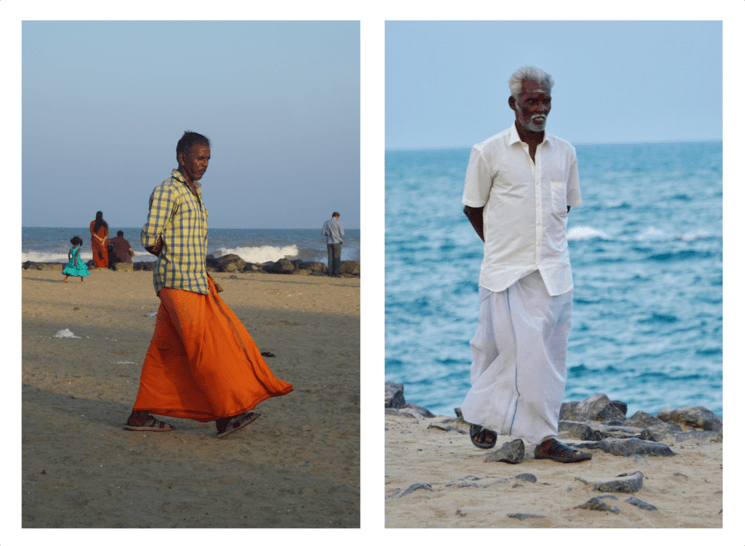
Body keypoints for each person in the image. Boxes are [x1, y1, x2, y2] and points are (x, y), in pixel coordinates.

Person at [460, 66, 591, 463]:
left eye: (545, 101)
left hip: (552, 270)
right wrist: (500, 245)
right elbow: (472, 207)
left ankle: (544, 438)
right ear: (513, 104)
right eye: (531, 100)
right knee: (494, 347)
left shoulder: (565, 152)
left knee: (545, 355)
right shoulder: (488, 152)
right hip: (503, 269)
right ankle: (484, 415)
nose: (540, 108)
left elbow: (564, 205)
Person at [124, 131, 293, 438]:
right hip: (177, 282)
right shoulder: (168, 191)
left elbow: (188, 239)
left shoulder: (194, 191)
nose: (204, 164)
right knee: (207, 348)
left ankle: (140, 415)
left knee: (165, 350)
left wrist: (199, 270)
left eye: (208, 159)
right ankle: (225, 415)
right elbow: (149, 238)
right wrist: (174, 255)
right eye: (199, 158)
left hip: (194, 281)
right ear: (182, 157)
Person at [322, 212, 344, 277]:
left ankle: (330, 273)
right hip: (336, 242)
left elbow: (323, 233)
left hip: (329, 242)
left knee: (330, 258)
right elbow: (342, 234)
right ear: (337, 216)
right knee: (336, 258)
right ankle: (336, 274)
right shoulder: (338, 223)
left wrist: (329, 234)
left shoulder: (326, 222)